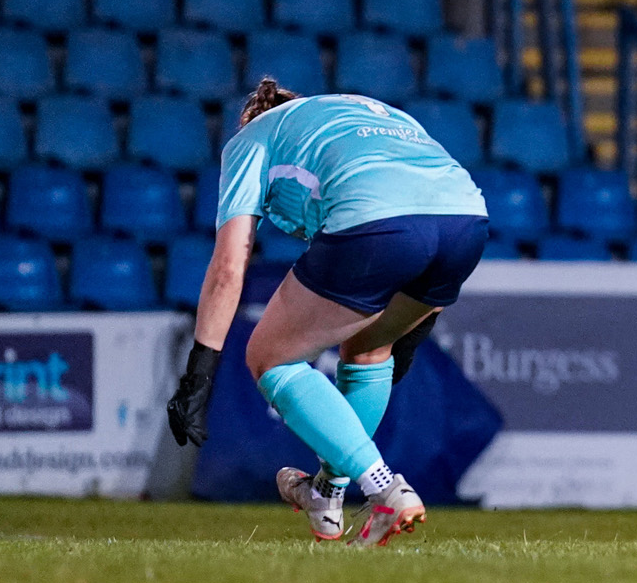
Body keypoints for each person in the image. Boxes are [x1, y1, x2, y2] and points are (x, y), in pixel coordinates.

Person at [165, 80, 490, 546]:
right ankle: (326, 495)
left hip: (378, 220)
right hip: (468, 223)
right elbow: (432, 202)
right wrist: (411, 332)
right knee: (370, 349)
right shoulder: (376, 113)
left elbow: (229, 266)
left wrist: (198, 376)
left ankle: (384, 488)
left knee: (270, 357)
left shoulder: (252, 139)